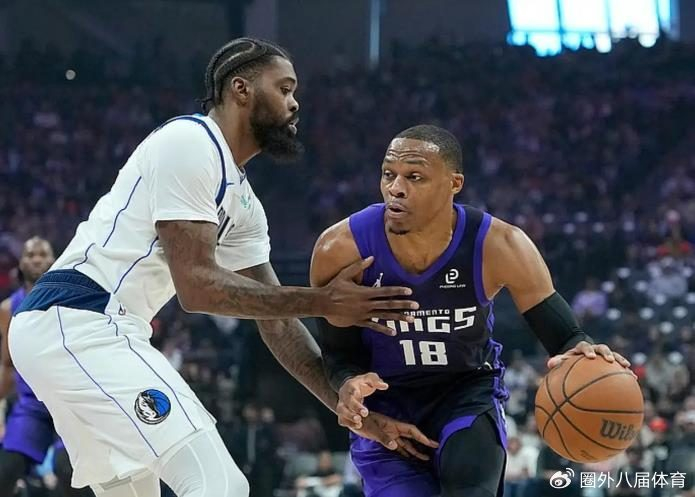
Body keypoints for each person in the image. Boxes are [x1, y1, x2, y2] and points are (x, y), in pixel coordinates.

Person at [8, 38, 433, 497]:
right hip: (80, 319)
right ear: (240, 89)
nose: (295, 103)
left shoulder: (243, 205)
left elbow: (279, 326)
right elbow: (197, 287)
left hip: (77, 331)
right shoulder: (190, 142)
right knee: (219, 485)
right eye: (284, 88)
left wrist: (358, 417)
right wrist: (324, 301)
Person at [310, 125, 632, 497]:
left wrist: (584, 352)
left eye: (414, 177)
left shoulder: (500, 245)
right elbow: (338, 354)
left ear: (454, 183)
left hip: (465, 394)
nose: (395, 188)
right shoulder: (340, 248)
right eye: (388, 174)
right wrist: (347, 381)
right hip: (385, 406)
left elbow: (565, 336)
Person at [0, 237, 91, 496]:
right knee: (5, 471)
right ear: (21, 263)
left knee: (70, 471)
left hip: (68, 399)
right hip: (31, 405)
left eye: (43, 254)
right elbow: (7, 365)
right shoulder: (7, 308)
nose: (37, 259)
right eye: (31, 255)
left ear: (54, 260)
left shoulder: (72, 299)